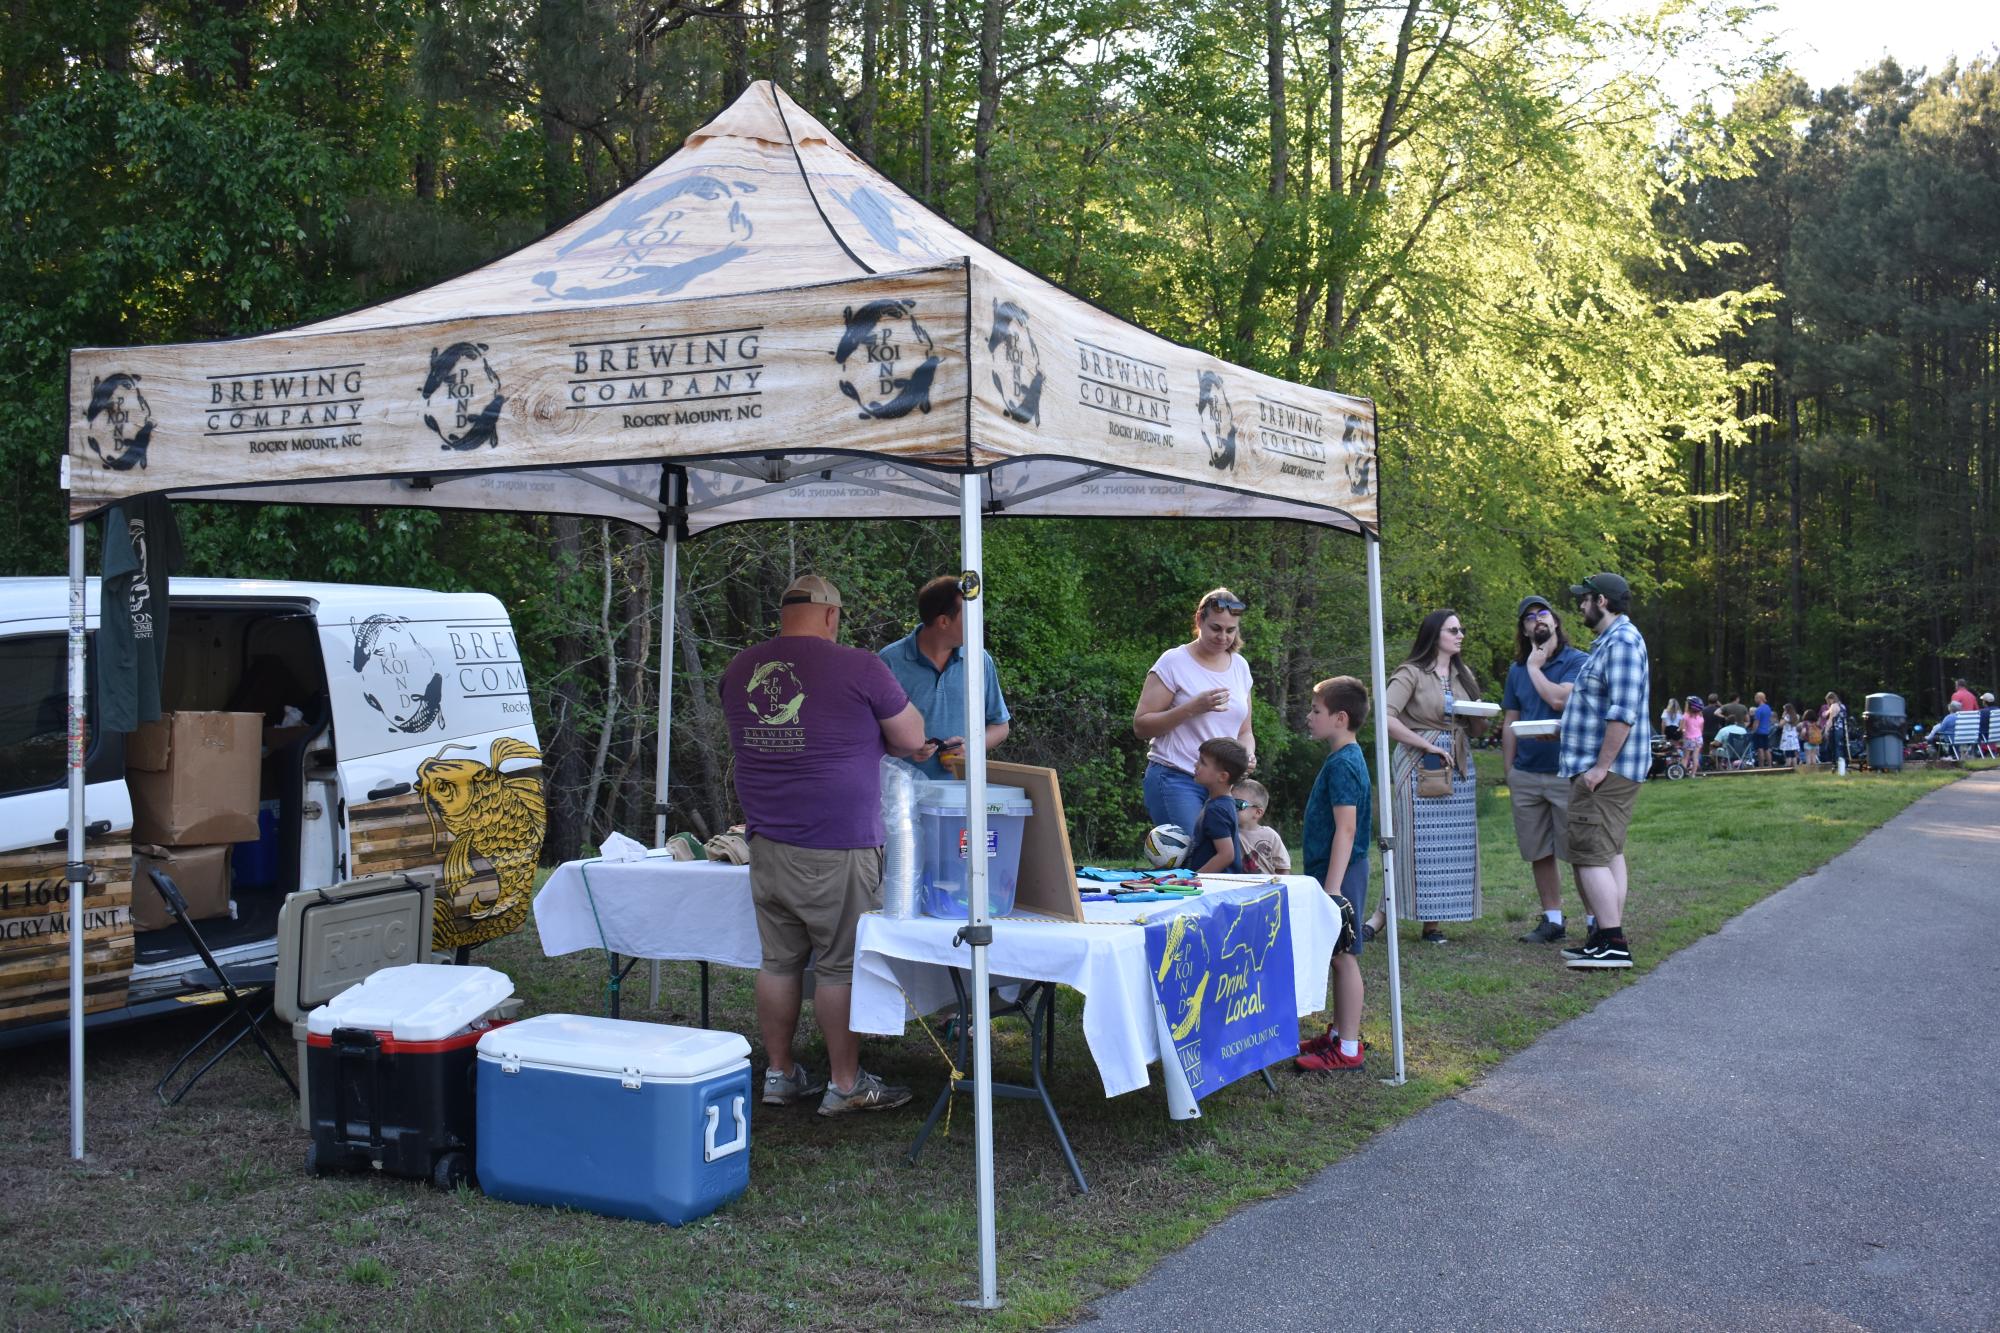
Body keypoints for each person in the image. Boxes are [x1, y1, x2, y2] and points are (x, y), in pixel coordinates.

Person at [722, 574, 927, 1117]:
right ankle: (844, 1082)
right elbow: (911, 739)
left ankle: (781, 1073)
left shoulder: (741, 668)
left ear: (783, 612)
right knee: (838, 966)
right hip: (836, 844)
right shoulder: (861, 666)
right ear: (832, 615)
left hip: (765, 841)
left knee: (779, 963)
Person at [1365, 608, 1484, 945]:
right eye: (1453, 630)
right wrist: (1425, 745)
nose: (1460, 635)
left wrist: (1481, 717)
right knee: (1412, 843)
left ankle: (1433, 924)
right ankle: (1380, 917)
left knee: (1449, 848)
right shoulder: (1411, 673)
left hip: (1458, 763)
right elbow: (1385, 718)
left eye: (1461, 629)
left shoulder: (1464, 676)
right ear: (1435, 635)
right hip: (1421, 759)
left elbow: (1476, 725)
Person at [1556, 572, 1652, 971]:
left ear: (1603, 601)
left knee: (1589, 854)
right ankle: (1603, 937)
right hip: (1599, 767)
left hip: (1606, 773)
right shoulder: (1609, 643)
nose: (1580, 606)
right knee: (1606, 851)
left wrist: (1600, 768)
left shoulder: (1624, 643)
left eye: (1585, 599)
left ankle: (1612, 941)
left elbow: (1622, 713)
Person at [1500, 595, 1590, 944]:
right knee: (1538, 850)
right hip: (1526, 773)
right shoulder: (1516, 669)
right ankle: (1552, 920)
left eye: (1543, 614)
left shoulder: (1577, 661)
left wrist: (1536, 668)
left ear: (1555, 621)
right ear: (1523, 629)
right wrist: (1510, 770)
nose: (1537, 620)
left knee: (1579, 851)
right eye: (1529, 617)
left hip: (1566, 770)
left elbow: (1559, 699)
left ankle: (1597, 920)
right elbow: (1511, 719)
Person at [1133, 588, 1257, 840]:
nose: (1223, 637)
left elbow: (1244, 731)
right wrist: (1191, 708)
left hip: (1221, 784)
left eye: (1230, 630)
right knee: (1194, 858)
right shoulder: (1174, 662)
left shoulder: (1240, 667)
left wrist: (1246, 755)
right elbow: (1141, 726)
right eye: (1215, 628)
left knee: (1223, 860)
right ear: (1199, 620)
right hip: (1175, 777)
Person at [1297, 676, 1372, 1073]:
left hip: (1341, 873)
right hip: (1334, 871)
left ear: (1340, 718)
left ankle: (1347, 1048)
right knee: (1336, 955)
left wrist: (1333, 888)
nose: (1309, 717)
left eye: (1316, 711)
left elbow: (1347, 828)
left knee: (1344, 956)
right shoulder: (1341, 757)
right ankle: (1339, 1031)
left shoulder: (1345, 763)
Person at [879, 574, 1012, 780]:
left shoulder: (979, 659)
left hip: (964, 799)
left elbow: (1000, 726)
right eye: (968, 616)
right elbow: (866, 733)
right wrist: (904, 747)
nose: (977, 623)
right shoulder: (889, 662)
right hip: (902, 797)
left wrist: (972, 748)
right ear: (943, 621)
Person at [1184, 738, 1249, 873]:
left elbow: (1226, 855)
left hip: (1217, 885)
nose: (1196, 765)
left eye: (1203, 762)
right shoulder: (1223, 803)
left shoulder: (1217, 809)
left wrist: (1195, 878)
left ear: (1222, 777)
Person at [1232, 778, 1292, 875]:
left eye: (1237, 804)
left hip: (1267, 888)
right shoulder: (1228, 833)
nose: (1231, 808)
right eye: (1229, 802)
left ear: (1258, 812)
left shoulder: (1270, 835)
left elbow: (1283, 868)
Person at [1821, 691, 1849, 772]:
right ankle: (1844, 766)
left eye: (1828, 700)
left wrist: (1826, 730)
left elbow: (1830, 719)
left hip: (1835, 730)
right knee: (1842, 747)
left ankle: (1837, 766)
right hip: (1843, 730)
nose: (1828, 702)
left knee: (1836, 748)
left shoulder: (1834, 706)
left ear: (1831, 699)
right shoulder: (1842, 706)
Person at [1680, 695, 1705, 774]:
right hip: (1698, 738)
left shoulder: (1685, 716)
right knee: (1695, 757)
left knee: (1685, 757)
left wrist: (1683, 739)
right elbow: (1701, 729)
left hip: (1688, 738)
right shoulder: (1701, 717)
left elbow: (1683, 729)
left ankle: (1682, 773)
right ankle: (1693, 774)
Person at [1750, 691, 1774, 767]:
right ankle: (1770, 765)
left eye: (1755, 698)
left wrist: (1753, 731)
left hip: (1759, 732)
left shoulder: (1758, 710)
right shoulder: (1768, 708)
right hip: (1766, 731)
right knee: (1766, 749)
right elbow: (1769, 719)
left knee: (1760, 749)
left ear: (1759, 698)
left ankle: (1761, 766)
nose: (1755, 699)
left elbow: (1756, 722)